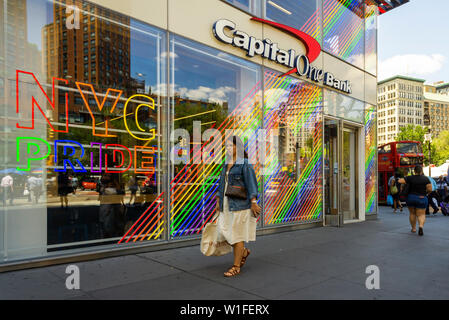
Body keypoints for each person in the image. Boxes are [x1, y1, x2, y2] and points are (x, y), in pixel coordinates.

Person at [215, 136, 261, 277]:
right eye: (227, 146)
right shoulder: (226, 163)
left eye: (231, 145)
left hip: (240, 205)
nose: (228, 148)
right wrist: (218, 201)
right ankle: (244, 252)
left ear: (238, 147)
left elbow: (251, 184)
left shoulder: (244, 163)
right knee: (223, 232)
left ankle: (236, 266)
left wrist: (253, 202)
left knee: (237, 235)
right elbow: (222, 184)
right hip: (226, 204)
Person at [398, 165, 432, 236]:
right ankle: (421, 227)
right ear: (421, 171)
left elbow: (400, 181)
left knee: (412, 213)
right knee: (421, 214)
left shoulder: (410, 178)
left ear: (414, 171)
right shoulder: (426, 179)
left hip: (411, 197)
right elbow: (430, 189)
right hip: (422, 197)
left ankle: (413, 228)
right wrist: (426, 193)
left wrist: (406, 181)